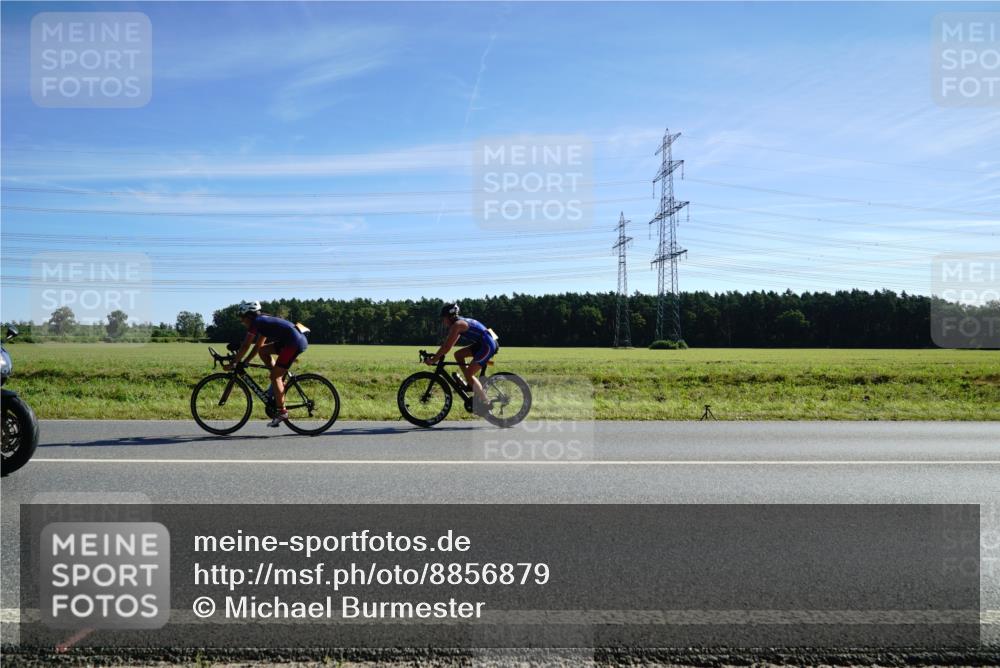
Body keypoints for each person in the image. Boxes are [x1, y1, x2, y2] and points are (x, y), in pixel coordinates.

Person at [227, 300, 308, 427]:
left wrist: (234, 362)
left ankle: (282, 412)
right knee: (263, 351)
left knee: (275, 376)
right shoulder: (263, 321)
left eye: (242, 318)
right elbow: (258, 346)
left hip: (293, 343)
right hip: (293, 340)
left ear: (249, 315)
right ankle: (277, 384)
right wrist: (246, 362)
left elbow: (246, 345)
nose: (241, 322)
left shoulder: (257, 322)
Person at [425, 303, 497, 414]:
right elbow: (449, 344)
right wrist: (437, 355)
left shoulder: (457, 325)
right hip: (484, 342)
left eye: (444, 319)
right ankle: (470, 383)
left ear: (450, 317)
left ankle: (486, 402)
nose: (443, 322)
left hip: (487, 346)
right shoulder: (460, 323)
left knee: (469, 374)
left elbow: (446, 347)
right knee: (458, 355)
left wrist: (434, 359)